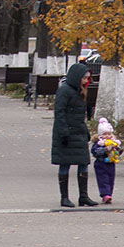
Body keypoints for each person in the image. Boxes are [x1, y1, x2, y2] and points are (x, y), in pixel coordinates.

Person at [51, 63, 99, 207]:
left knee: (83, 163)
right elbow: (59, 113)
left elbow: (80, 115)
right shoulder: (64, 91)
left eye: (87, 79)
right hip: (65, 133)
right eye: (83, 78)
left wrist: (86, 132)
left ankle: (83, 196)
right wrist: (64, 132)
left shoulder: (79, 91)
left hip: (78, 132)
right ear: (76, 77)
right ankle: (64, 197)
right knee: (64, 164)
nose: (85, 81)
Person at [90, 118, 122, 204]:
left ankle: (109, 194)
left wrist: (118, 149)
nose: (107, 136)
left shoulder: (113, 142)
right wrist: (105, 149)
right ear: (100, 135)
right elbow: (95, 152)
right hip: (101, 163)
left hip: (111, 164)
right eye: (105, 134)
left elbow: (119, 152)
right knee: (103, 180)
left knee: (111, 179)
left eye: (109, 134)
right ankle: (105, 194)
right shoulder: (99, 143)